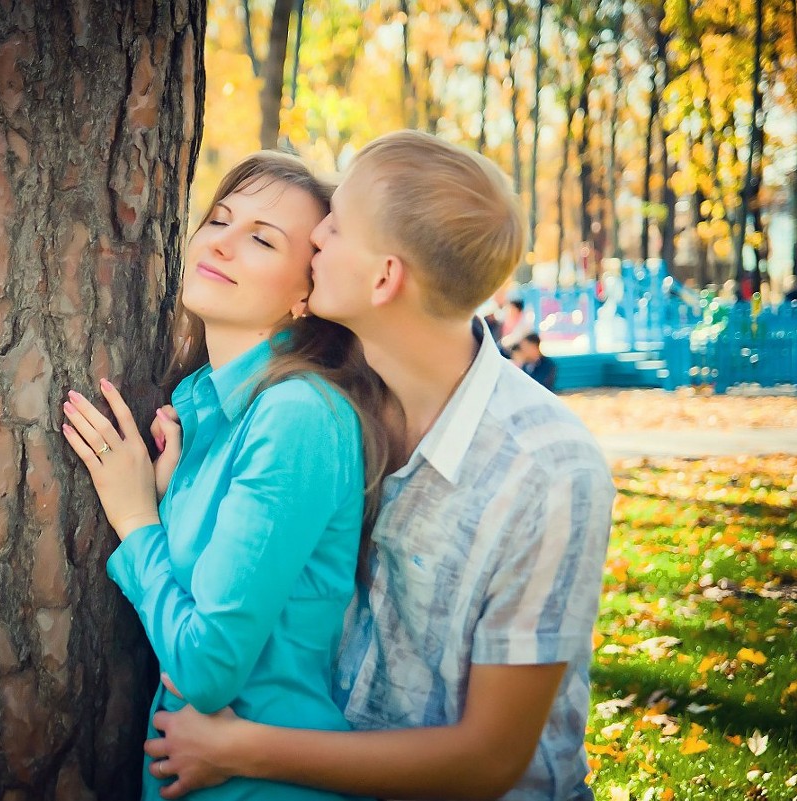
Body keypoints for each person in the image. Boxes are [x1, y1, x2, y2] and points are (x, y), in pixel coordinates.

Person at [143, 131, 615, 800]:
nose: (315, 239)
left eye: (332, 228)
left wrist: (244, 749)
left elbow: (490, 759)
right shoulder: (321, 405)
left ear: (383, 277)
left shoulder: (544, 469)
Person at [61, 152, 387, 801]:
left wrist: (135, 518)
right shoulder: (204, 412)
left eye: (261, 239)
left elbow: (206, 666)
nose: (222, 243)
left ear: (306, 292)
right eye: (220, 218)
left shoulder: (297, 415)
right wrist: (169, 496)